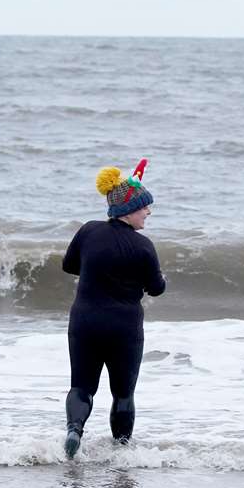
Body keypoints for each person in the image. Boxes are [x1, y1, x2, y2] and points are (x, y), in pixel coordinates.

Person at [61, 160, 166, 458]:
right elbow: (156, 288)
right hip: (124, 328)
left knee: (81, 387)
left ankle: (73, 431)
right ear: (129, 211)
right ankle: (121, 453)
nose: (148, 212)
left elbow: (69, 265)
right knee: (122, 393)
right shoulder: (143, 246)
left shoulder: (89, 231)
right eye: (145, 207)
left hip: (85, 322)